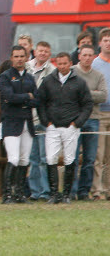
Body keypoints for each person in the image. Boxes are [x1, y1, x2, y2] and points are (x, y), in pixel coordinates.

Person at [37, 52, 92, 204]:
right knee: (50, 158)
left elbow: (87, 104)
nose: (62, 66)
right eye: (59, 64)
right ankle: (54, 193)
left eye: (65, 64)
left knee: (70, 159)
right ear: (56, 64)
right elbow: (40, 102)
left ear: (70, 63)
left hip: (71, 126)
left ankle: (67, 194)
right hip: (52, 126)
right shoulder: (48, 81)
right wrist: (45, 121)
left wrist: (77, 123)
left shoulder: (79, 82)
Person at [0, 45, 38, 204]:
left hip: (27, 122)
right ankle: (7, 194)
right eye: (16, 56)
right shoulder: (5, 77)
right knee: (13, 158)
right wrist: (27, 97)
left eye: (22, 56)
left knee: (24, 159)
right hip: (12, 122)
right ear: (11, 58)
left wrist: (25, 99)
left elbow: (37, 99)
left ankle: (19, 194)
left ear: (26, 57)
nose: (19, 59)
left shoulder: (29, 77)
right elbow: (9, 97)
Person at [71, 45, 107, 200]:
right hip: (74, 119)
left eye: (90, 55)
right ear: (79, 56)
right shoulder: (72, 71)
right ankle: (71, 190)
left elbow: (103, 96)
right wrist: (91, 94)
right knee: (71, 157)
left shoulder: (98, 75)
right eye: (84, 55)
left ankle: (84, 191)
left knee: (90, 158)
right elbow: (69, 93)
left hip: (93, 119)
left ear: (94, 57)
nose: (87, 58)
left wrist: (83, 93)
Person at [25, 40, 57, 201]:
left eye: (46, 51)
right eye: (40, 50)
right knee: (33, 159)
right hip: (28, 118)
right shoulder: (26, 67)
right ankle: (34, 192)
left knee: (45, 158)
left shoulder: (53, 71)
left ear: (49, 54)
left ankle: (46, 191)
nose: (43, 53)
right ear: (35, 52)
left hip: (44, 118)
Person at [91, 28, 110, 200]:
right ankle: (97, 190)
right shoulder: (94, 64)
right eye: (105, 40)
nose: (108, 43)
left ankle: (108, 188)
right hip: (100, 113)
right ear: (100, 43)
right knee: (99, 154)